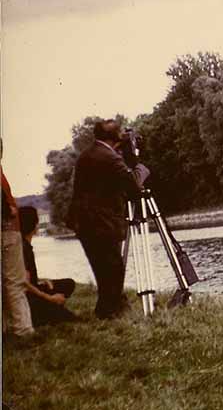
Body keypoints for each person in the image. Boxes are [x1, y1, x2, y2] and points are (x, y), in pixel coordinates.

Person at [67, 120, 148, 320]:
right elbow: (134, 187)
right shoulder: (110, 158)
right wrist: (140, 169)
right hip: (102, 222)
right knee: (113, 267)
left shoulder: (87, 154)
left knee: (102, 268)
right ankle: (109, 312)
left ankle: (108, 310)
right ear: (114, 139)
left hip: (83, 222)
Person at [18, 206, 79, 326]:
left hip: (33, 292)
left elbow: (26, 278)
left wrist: (42, 282)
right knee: (71, 318)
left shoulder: (24, 245)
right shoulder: (23, 249)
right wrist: (50, 298)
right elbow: (24, 286)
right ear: (34, 225)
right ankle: (45, 311)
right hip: (29, 300)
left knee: (68, 283)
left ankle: (50, 307)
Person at [1, 143, 35, 336]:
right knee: (14, 281)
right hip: (7, 230)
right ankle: (22, 328)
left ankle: (5, 326)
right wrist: (9, 210)